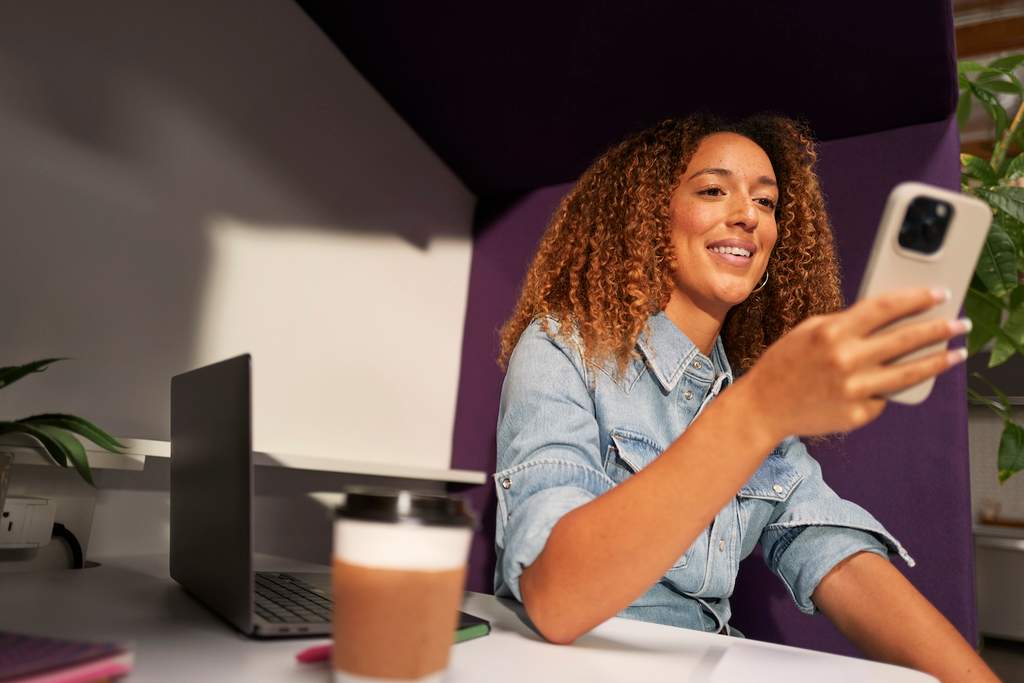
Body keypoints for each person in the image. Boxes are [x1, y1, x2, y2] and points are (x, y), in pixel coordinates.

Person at [492, 113, 998, 682]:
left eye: (766, 202)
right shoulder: (562, 349)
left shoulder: (751, 394)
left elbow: (835, 554)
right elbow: (554, 598)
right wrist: (756, 412)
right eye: (713, 191)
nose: (747, 217)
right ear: (643, 217)